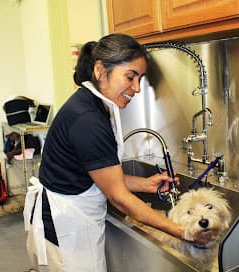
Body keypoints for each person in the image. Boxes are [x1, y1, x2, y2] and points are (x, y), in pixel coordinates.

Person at [24, 33, 189, 272]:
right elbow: (119, 198)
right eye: (130, 77)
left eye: (140, 79)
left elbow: (99, 174)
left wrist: (146, 184)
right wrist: (181, 231)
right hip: (64, 231)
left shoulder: (94, 103)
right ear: (101, 70)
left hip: (69, 219)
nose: (136, 88)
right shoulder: (88, 119)